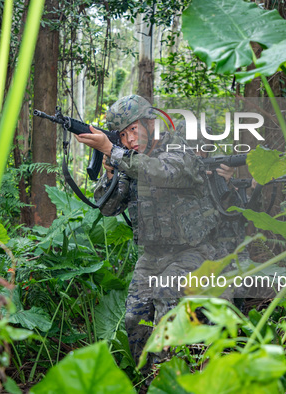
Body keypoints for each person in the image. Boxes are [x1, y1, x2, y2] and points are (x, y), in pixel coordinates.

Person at [74, 95, 219, 370]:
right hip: (153, 256)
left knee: (167, 301)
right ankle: (146, 380)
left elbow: (162, 172)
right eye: (123, 134)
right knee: (134, 318)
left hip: (194, 251)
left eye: (133, 129)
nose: (129, 140)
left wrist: (116, 153)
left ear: (150, 123)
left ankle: (168, 378)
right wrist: (109, 173)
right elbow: (109, 208)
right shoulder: (130, 161)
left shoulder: (177, 147)